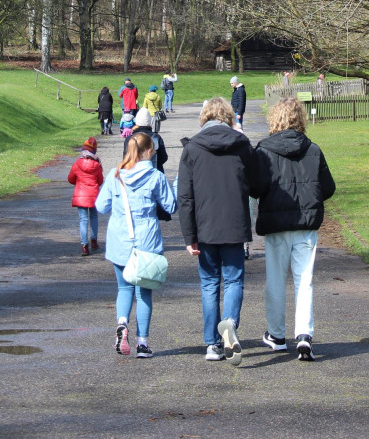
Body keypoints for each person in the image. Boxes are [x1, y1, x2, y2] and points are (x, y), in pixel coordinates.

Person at [177, 97, 261, 366]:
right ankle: (230, 323)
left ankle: (212, 343)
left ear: (204, 116)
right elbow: (255, 183)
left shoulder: (192, 149)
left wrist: (189, 236)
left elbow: (185, 197)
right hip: (234, 222)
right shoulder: (242, 145)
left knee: (209, 283)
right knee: (234, 280)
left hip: (205, 226)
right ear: (228, 116)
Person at [254, 99, 335, 361]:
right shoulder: (313, 149)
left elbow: (255, 188)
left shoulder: (263, 150)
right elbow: (328, 187)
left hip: (276, 225)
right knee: (304, 281)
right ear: (301, 118)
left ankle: (277, 335)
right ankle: (303, 335)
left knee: (276, 281)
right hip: (305, 225)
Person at [95, 133, 177, 359]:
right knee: (144, 294)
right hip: (146, 242)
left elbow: (101, 207)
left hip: (120, 240)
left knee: (123, 288)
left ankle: (122, 324)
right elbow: (170, 206)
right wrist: (177, 184)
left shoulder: (115, 175)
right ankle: (142, 343)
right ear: (148, 152)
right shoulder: (155, 176)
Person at [67, 137, 105, 257]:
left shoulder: (77, 163)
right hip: (93, 194)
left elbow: (70, 178)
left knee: (83, 220)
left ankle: (84, 246)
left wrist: (78, 183)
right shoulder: (97, 164)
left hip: (81, 195)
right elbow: (100, 181)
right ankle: (94, 240)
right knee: (93, 216)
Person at [123, 108, 168, 173]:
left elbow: (125, 158)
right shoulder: (156, 137)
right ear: (149, 122)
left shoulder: (129, 139)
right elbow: (163, 158)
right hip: (154, 173)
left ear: (137, 121)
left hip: (133, 174)